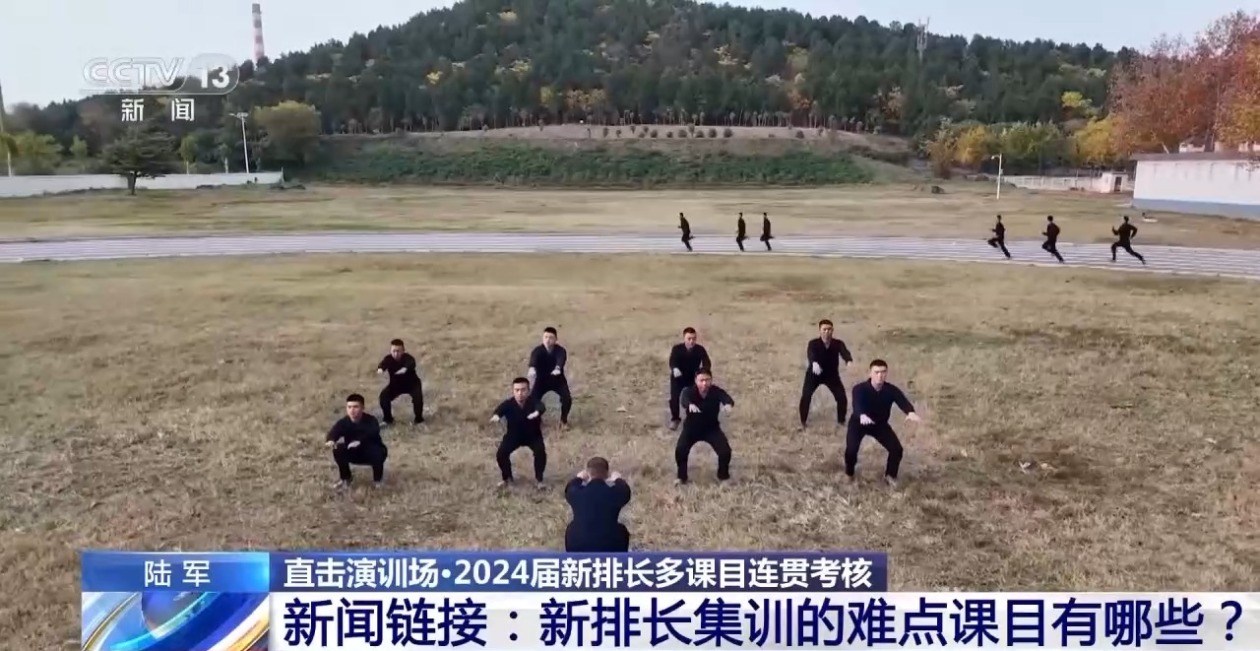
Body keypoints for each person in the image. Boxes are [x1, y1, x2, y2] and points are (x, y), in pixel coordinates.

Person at [846, 360, 922, 488]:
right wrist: (862, 415)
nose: (880, 375)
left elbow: (902, 401)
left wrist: (910, 412)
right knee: (851, 450)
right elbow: (857, 404)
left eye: (883, 372)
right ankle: (849, 473)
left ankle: (890, 476)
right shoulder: (859, 389)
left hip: (879, 425)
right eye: (876, 372)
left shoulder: (890, 390)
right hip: (859, 423)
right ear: (870, 373)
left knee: (896, 449)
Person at [675, 369, 735, 485]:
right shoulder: (689, 391)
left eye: (707, 380)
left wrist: (728, 405)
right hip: (691, 429)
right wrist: (690, 405)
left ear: (711, 380)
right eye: (701, 380)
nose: (704, 383)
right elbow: (684, 399)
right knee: (680, 450)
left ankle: (723, 476)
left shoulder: (715, 391)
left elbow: (726, 398)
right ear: (696, 381)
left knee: (725, 451)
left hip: (711, 428)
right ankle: (681, 477)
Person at [564, 457, 632, 552]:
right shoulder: (614, 493)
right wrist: (618, 479)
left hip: (578, 544)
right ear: (607, 474)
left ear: (588, 473)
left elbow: (569, 489)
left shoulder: (577, 493)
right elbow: (625, 491)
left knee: (571, 528)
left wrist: (578, 478)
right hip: (611, 544)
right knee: (621, 530)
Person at [491, 377, 548, 490]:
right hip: (513, 435)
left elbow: (541, 407)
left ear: (528, 390)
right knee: (501, 454)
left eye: (523, 390)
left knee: (540, 452)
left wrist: (536, 413)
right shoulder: (509, 404)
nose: (520, 393)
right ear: (513, 391)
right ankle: (507, 478)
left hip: (533, 435)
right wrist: (496, 416)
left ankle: (539, 480)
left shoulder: (533, 401)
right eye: (517, 390)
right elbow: (499, 410)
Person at [325, 393, 388, 490]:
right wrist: (331, 440)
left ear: (362, 408)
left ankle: (378, 481)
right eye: (349, 407)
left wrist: (359, 441)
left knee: (378, 451)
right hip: (353, 452)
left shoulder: (371, 420)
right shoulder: (344, 422)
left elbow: (373, 432)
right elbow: (334, 432)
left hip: (370, 452)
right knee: (338, 449)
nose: (352, 410)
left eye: (355, 407)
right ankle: (346, 479)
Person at [799, 319, 854, 429]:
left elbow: (844, 352)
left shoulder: (837, 344)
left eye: (829, 329)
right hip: (814, 375)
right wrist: (814, 363)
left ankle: (841, 421)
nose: (827, 332)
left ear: (832, 330)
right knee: (806, 396)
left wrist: (848, 361)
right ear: (820, 330)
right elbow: (811, 353)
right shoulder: (813, 343)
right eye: (824, 329)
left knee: (842, 397)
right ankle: (803, 422)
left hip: (831, 375)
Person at [668, 327, 713, 430]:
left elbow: (707, 362)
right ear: (684, 338)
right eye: (689, 339)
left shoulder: (700, 349)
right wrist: (675, 368)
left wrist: (703, 372)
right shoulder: (677, 349)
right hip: (678, 378)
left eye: (694, 338)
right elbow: (672, 361)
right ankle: (675, 419)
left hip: (692, 377)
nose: (691, 341)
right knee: (674, 398)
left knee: (697, 397)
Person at [528, 327, 572, 427]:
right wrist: (532, 368)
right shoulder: (537, 350)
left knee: (567, 399)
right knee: (532, 400)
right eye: (546, 337)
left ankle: (563, 420)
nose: (548, 340)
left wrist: (558, 368)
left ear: (556, 339)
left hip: (557, 380)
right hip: (541, 381)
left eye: (551, 337)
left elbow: (561, 359)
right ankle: (537, 419)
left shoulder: (560, 350)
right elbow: (534, 359)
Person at [376, 339, 424, 425]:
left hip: (412, 384)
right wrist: (381, 369)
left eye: (398, 351)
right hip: (396, 385)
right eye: (393, 351)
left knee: (418, 399)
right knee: (383, 397)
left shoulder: (408, 358)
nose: (396, 353)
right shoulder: (388, 359)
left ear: (403, 351)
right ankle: (388, 419)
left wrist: (405, 369)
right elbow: (383, 364)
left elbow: (411, 363)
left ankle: (419, 419)